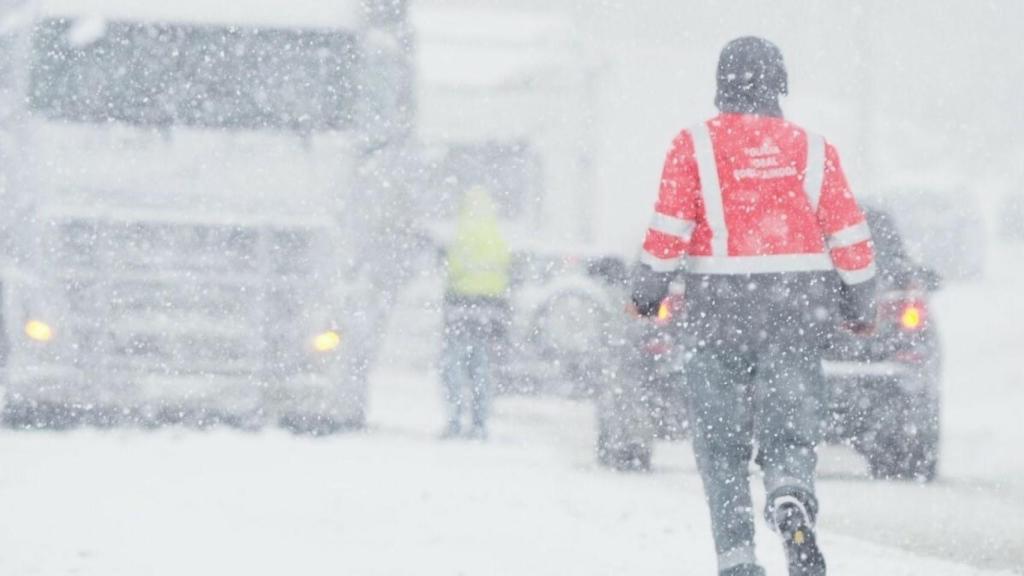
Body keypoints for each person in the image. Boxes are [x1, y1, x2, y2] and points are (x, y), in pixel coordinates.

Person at [631, 37, 877, 576]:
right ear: (779, 85)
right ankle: (790, 494)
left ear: (721, 84)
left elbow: (669, 228)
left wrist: (646, 294)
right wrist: (859, 302)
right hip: (796, 307)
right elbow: (849, 236)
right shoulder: (814, 149)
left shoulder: (693, 144)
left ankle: (738, 560)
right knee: (791, 424)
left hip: (717, 306)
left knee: (721, 446)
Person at [441, 186, 511, 440]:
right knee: (481, 366)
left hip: (461, 305)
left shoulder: (462, 232)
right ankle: (480, 422)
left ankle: (455, 418)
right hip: (489, 308)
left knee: (454, 365)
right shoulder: (495, 232)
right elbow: (505, 266)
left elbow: (452, 267)